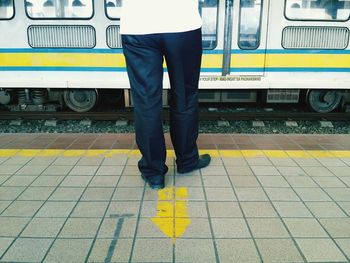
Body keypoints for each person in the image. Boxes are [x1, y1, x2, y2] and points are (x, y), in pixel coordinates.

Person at [120, 0, 211, 189]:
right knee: (185, 96)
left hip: (137, 26)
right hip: (182, 24)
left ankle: (154, 173)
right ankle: (187, 161)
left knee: (146, 102)